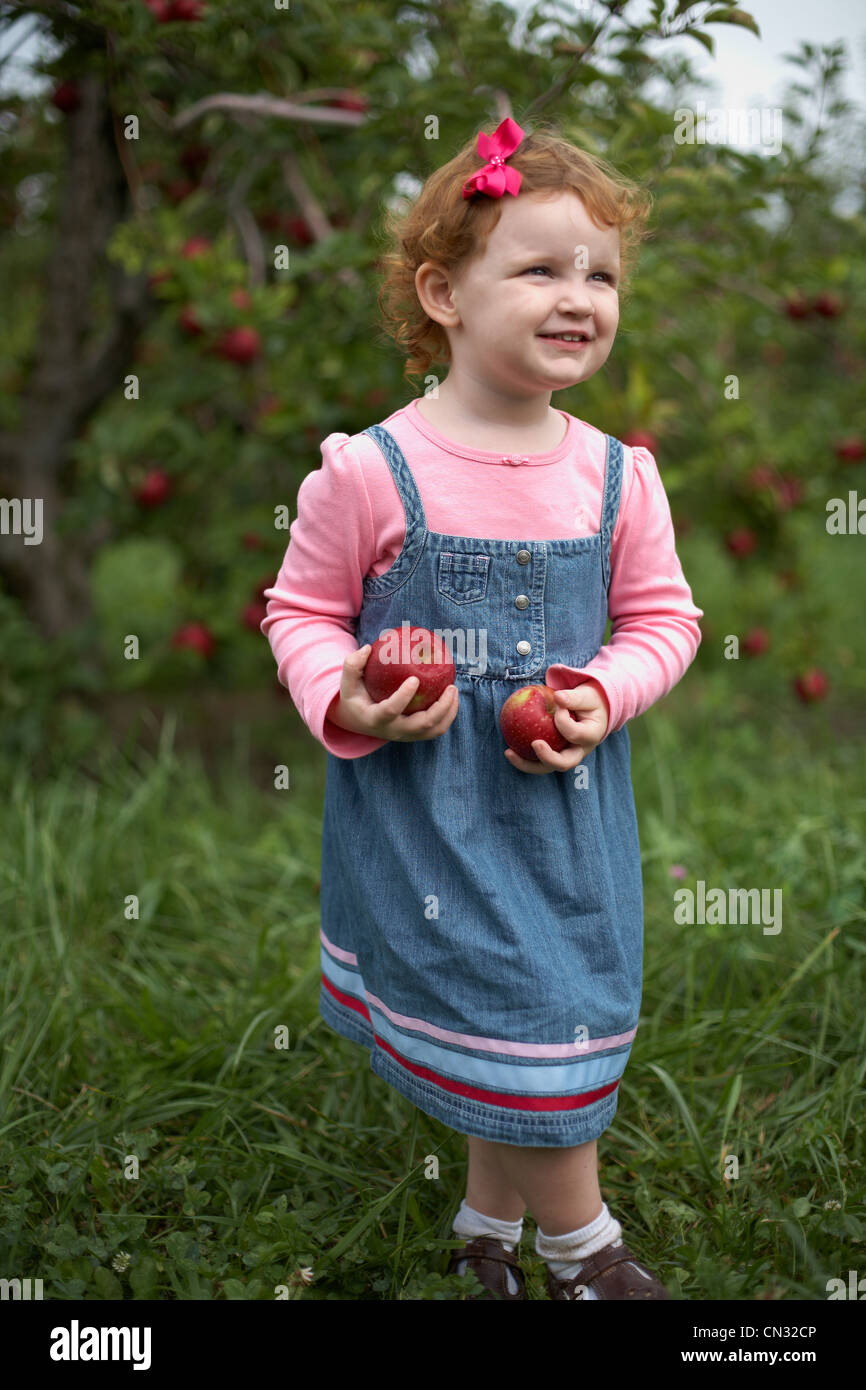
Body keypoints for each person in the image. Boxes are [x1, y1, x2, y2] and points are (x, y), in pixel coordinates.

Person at [261, 116, 703, 1301]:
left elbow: (667, 620)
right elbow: (297, 610)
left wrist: (605, 692)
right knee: (513, 1009)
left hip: (563, 815)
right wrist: (347, 690)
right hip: (427, 821)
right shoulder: (367, 468)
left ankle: (484, 1225)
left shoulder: (618, 476)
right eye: (541, 268)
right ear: (442, 291)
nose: (580, 297)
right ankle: (584, 1252)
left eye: (600, 275)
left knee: (539, 1016)